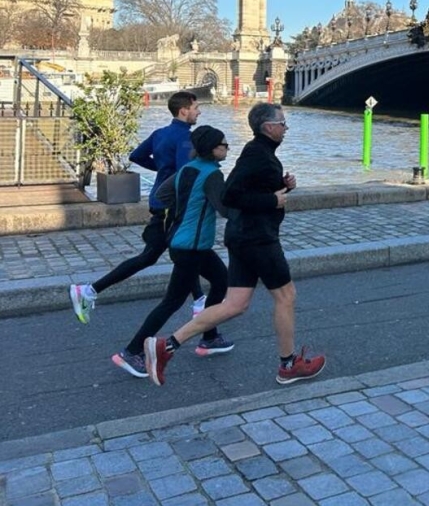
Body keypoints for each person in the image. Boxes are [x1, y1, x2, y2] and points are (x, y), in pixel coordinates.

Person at [143, 102, 326, 387]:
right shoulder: (258, 154)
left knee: (234, 304)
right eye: (282, 123)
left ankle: (165, 347)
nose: (286, 128)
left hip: (243, 237)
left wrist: (283, 185)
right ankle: (288, 365)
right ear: (268, 127)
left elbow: (249, 187)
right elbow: (230, 196)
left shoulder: (260, 153)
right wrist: (272, 200)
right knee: (286, 296)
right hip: (257, 239)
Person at [69, 91, 206, 323]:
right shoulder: (186, 138)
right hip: (171, 206)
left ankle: (200, 303)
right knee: (162, 255)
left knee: (182, 254)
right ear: (184, 110)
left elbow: (137, 156)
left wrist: (162, 168)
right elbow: (187, 175)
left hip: (159, 201)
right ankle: (89, 290)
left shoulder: (160, 133)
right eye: (196, 107)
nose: (199, 111)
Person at [112, 125, 233, 377]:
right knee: (172, 302)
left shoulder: (187, 169)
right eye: (224, 144)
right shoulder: (212, 174)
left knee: (221, 281)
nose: (227, 148)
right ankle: (131, 351)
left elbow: (162, 195)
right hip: (192, 247)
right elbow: (224, 209)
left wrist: (185, 208)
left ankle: (209, 337)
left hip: (181, 241)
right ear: (212, 148)